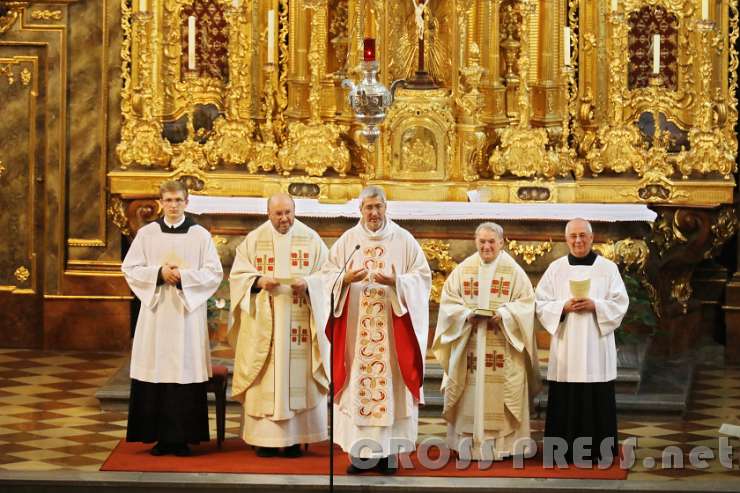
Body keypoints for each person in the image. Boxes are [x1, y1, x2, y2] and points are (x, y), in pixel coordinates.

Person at [324, 185, 431, 474]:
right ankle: (359, 455)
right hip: (356, 335)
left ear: (386, 208)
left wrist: (398, 283)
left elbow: (422, 278)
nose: (374, 213)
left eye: (378, 207)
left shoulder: (404, 240)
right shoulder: (349, 241)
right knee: (359, 386)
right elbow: (326, 276)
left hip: (392, 335)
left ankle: (388, 455)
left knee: (391, 391)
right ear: (360, 210)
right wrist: (343, 279)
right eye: (368, 207)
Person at [122, 180, 223, 457]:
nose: (174, 205)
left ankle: (182, 438)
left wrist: (183, 278)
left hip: (185, 315)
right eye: (168, 200)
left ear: (187, 202)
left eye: (179, 200)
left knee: (184, 371)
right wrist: (158, 274)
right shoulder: (147, 234)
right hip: (156, 313)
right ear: (161, 202)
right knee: (156, 368)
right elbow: (130, 268)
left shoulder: (200, 235)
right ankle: (159, 438)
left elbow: (214, 273)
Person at [228, 194, 330, 458]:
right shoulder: (254, 240)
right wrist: (259, 280)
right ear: (268, 213)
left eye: (288, 212)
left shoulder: (311, 239)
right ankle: (264, 439)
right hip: (265, 322)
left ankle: (296, 438)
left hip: (300, 324)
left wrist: (309, 284)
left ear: (295, 210)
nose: (284, 219)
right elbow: (238, 275)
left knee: (298, 376)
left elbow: (329, 276)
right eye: (278, 214)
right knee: (266, 377)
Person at [433, 222, 540, 460]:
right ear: (475, 241)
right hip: (469, 343)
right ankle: (467, 445)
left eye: (492, 241)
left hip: (502, 343)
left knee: (502, 392)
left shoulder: (513, 271)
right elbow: (449, 302)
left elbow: (526, 304)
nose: (486, 246)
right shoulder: (464, 269)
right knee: (469, 389)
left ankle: (504, 446)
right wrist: (465, 314)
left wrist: (504, 315)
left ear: (502, 242)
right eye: (482, 241)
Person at [535, 218, 629, 464]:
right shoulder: (556, 268)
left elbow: (620, 303)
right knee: (565, 395)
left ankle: (599, 451)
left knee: (596, 393)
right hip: (566, 346)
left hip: (596, 345)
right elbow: (540, 302)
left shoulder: (608, 268)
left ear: (591, 237)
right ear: (566, 239)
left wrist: (595, 305)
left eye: (582, 236)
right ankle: (561, 451)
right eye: (572, 236)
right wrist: (563, 307)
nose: (577, 241)